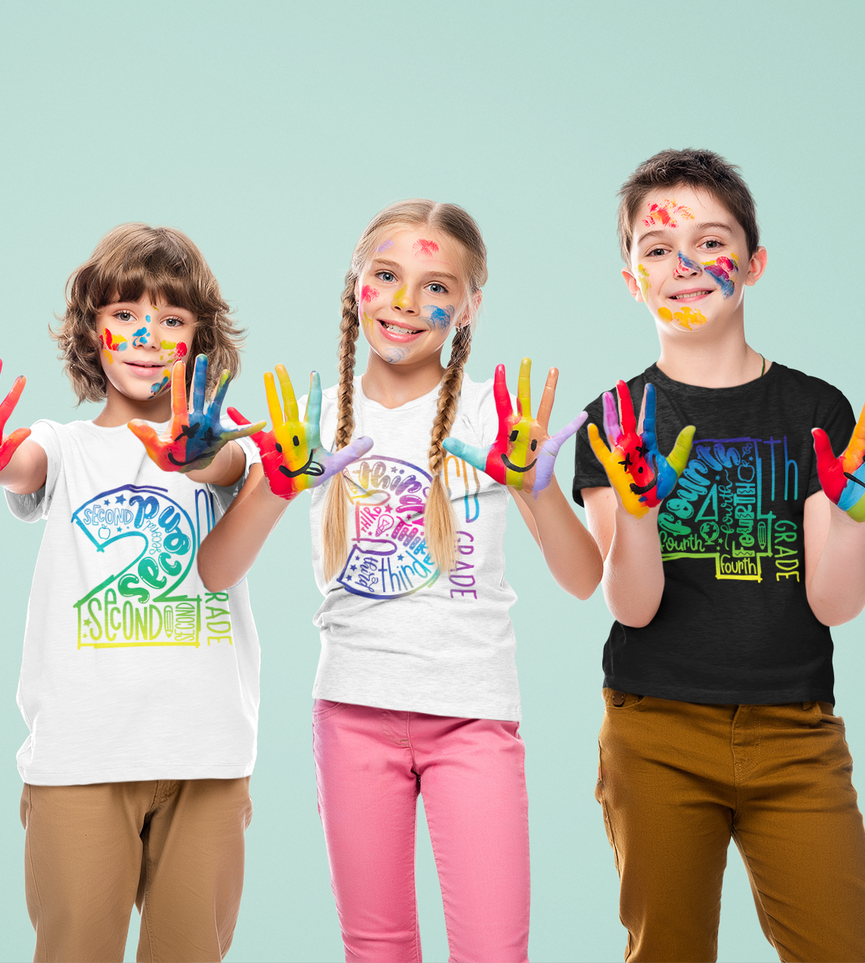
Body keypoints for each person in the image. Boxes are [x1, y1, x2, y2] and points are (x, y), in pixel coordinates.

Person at [203, 199, 602, 962]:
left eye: (435, 286)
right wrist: (276, 485)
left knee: (493, 951)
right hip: (350, 714)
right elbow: (217, 570)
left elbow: (584, 580)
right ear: (354, 282)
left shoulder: (494, 417)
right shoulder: (312, 421)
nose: (404, 301)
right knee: (375, 947)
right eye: (385, 275)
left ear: (469, 305)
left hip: (473, 717)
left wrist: (537, 486)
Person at [572, 148, 865, 962]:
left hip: (794, 731)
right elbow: (630, 604)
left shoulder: (814, 408)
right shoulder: (614, 419)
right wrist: (637, 513)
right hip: (654, 730)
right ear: (631, 278)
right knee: (667, 948)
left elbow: (833, 603)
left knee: (842, 945)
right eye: (658, 248)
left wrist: (855, 519)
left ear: (753, 262)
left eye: (710, 242)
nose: (685, 264)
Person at [0, 224, 264, 962]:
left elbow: (225, 465)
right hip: (81, 756)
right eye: (124, 314)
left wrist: (199, 451)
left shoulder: (232, 445)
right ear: (93, 330)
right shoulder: (65, 445)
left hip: (207, 755)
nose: (146, 336)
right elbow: (18, 463)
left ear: (200, 338)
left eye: (171, 319)